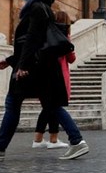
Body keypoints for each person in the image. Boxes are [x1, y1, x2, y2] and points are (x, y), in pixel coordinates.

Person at [0, 0, 91, 161]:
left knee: (13, 104)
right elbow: (33, 41)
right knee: (51, 106)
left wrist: (22, 65)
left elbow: (32, 39)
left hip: (32, 68)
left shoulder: (35, 8)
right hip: (40, 66)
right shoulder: (43, 8)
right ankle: (77, 141)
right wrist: (10, 60)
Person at [32, 10, 75, 150]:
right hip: (59, 75)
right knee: (55, 107)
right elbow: (71, 58)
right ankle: (53, 139)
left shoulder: (45, 34)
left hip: (44, 74)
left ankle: (38, 139)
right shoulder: (63, 37)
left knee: (47, 108)